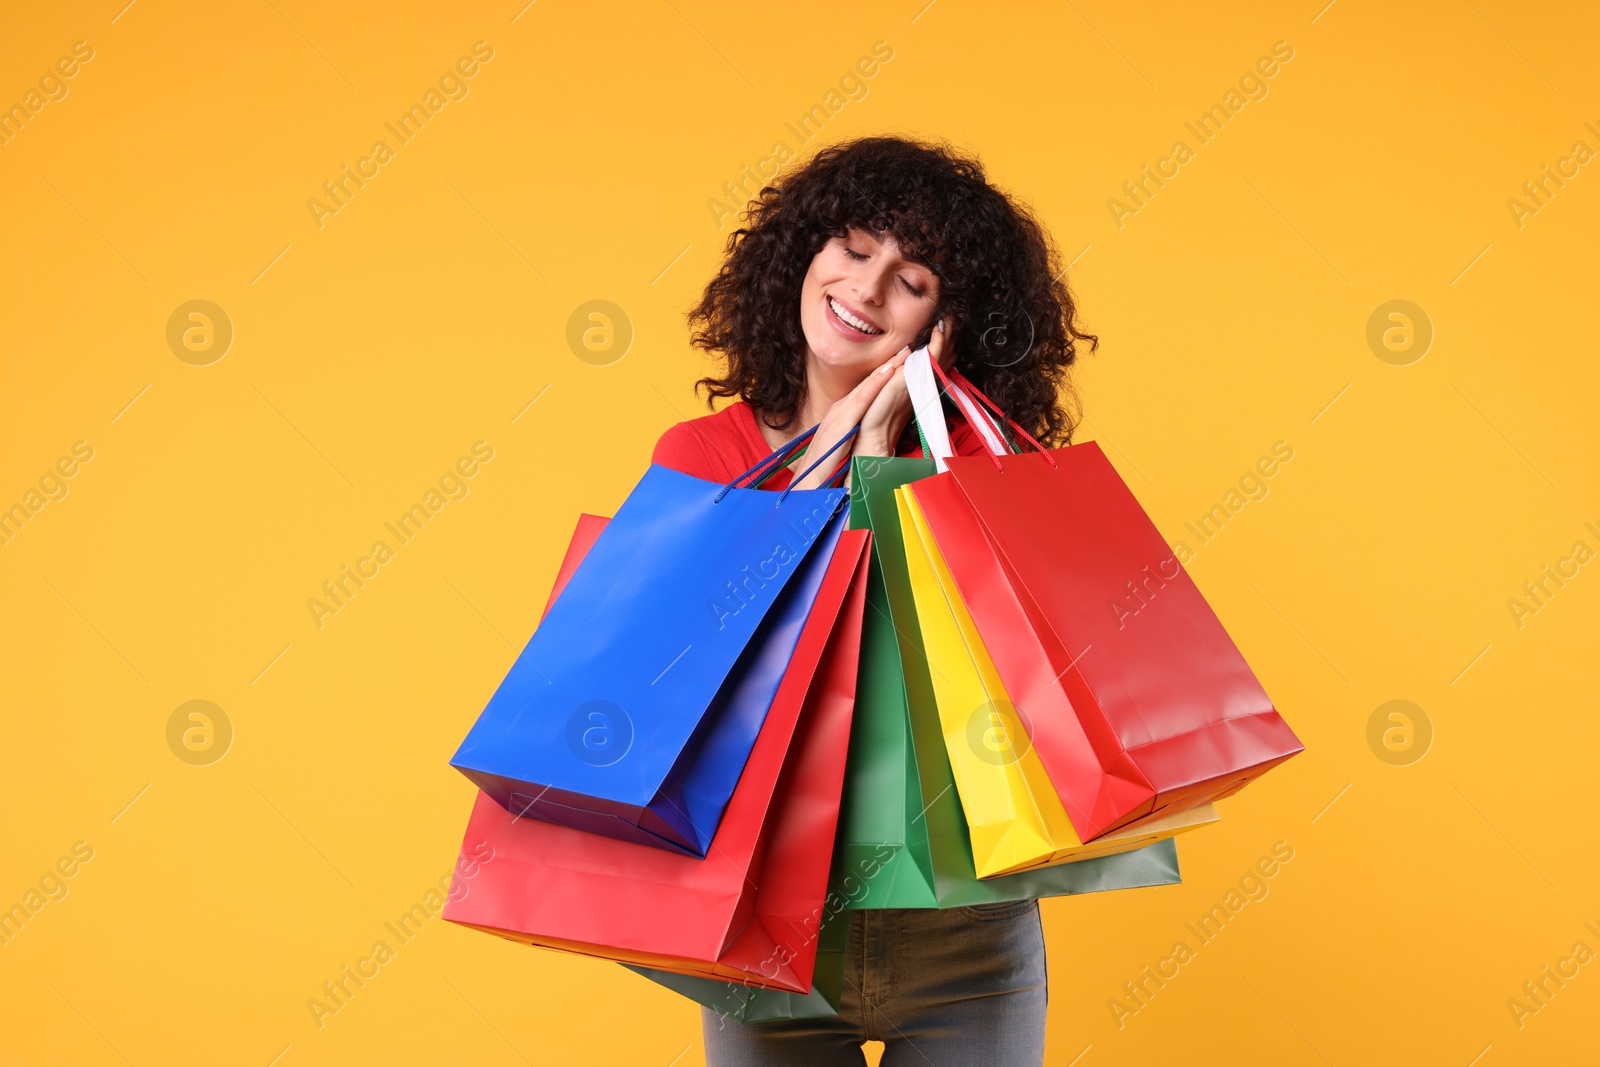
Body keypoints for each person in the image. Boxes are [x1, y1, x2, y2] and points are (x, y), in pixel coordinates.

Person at [650, 136, 1098, 1066]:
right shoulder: (701, 457)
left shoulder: (985, 471)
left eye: (912, 280)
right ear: (806, 253)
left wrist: (883, 465)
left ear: (948, 324)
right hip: (766, 928)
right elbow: (713, 655)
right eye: (854, 249)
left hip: (968, 931)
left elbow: (964, 670)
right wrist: (834, 451)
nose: (865, 288)